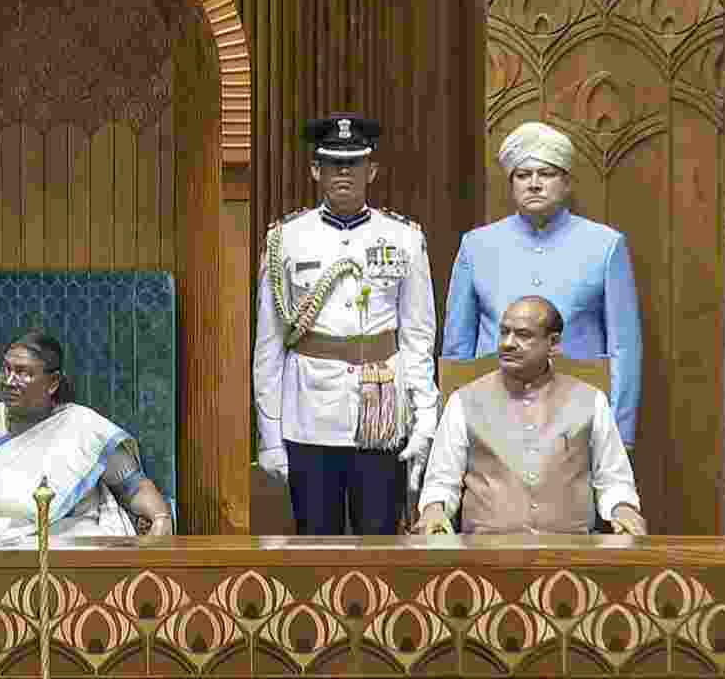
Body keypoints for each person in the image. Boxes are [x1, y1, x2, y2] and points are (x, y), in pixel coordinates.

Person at [252, 115, 439, 535]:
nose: (343, 173)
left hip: (382, 413)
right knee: (316, 545)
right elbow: (269, 348)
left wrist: (425, 415)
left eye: (353, 163)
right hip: (309, 416)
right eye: (333, 163)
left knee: (382, 543)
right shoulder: (285, 238)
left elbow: (418, 337)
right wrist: (270, 437)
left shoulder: (405, 237)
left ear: (371, 170)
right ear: (315, 170)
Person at [442, 121, 642, 447]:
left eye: (546, 174)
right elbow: (457, 349)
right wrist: (452, 435)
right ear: (511, 184)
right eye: (523, 175)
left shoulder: (605, 246)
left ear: (567, 183)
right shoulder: (476, 246)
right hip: (492, 417)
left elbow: (624, 350)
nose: (534, 184)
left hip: (577, 419)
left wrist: (619, 435)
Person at [416, 296, 645, 535]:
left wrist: (623, 509)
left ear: (553, 343)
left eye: (523, 335)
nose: (508, 343)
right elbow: (441, 482)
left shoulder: (591, 401)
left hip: (572, 549)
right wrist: (434, 510)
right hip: (484, 551)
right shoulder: (463, 401)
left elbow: (613, 480)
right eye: (504, 332)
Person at [0, 331, 174, 536]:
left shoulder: (85, 426)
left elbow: (134, 488)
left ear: (52, 383)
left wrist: (161, 518)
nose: (9, 381)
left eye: (23, 372)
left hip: (74, 553)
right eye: (6, 370)